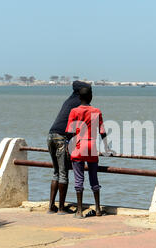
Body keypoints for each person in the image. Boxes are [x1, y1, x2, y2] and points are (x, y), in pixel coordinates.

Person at [66, 87, 113, 218]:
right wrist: (106, 148)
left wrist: (68, 146)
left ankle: (79, 211)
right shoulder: (96, 111)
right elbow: (102, 131)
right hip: (91, 147)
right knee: (94, 178)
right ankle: (98, 209)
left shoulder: (74, 111)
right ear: (91, 97)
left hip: (78, 147)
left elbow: (69, 132)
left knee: (78, 179)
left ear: (79, 98)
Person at [47, 80, 91, 215]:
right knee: (63, 173)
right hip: (61, 138)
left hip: (51, 136)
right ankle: (61, 208)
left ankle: (51, 207)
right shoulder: (80, 103)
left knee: (56, 172)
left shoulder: (68, 101)